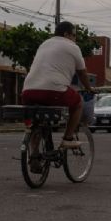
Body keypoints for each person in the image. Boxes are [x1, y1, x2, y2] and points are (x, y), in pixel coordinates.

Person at [21, 21, 95, 149]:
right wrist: (89, 88)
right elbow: (82, 73)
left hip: (28, 91)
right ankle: (68, 138)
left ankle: (34, 155)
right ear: (66, 34)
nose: (74, 39)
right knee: (78, 103)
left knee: (36, 123)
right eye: (74, 35)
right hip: (53, 90)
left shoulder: (44, 44)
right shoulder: (73, 47)